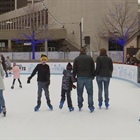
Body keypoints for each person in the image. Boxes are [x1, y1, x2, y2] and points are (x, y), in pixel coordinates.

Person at [73, 47, 95, 112]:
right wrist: (93, 75)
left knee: (79, 93)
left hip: (80, 77)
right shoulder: (90, 58)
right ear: (85, 51)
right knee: (90, 93)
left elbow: (74, 69)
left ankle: (80, 105)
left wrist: (73, 77)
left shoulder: (76, 59)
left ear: (80, 52)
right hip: (88, 77)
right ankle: (91, 106)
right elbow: (93, 68)